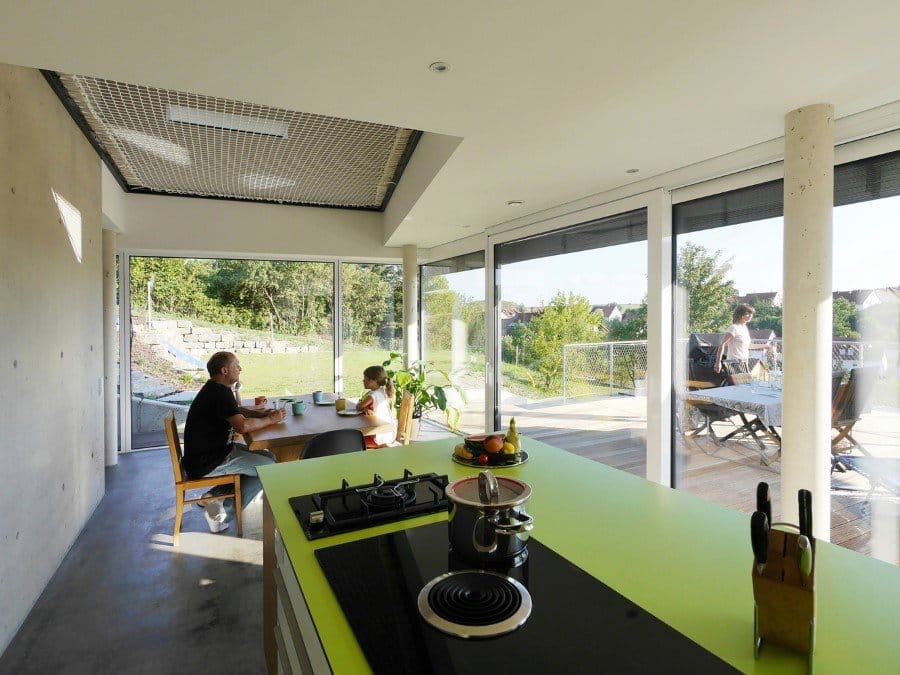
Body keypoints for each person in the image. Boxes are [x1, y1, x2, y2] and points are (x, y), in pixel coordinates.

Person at [183, 351, 285, 533]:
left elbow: (236, 409)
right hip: (209, 460)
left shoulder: (215, 389)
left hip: (208, 455)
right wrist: (271, 420)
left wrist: (262, 414)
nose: (240, 369)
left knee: (269, 456)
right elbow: (243, 427)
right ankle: (220, 515)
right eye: (236, 365)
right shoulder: (220, 393)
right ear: (224, 370)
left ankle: (213, 495)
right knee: (270, 469)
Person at [714, 304, 774, 374]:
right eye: (747, 313)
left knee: (746, 384)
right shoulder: (734, 328)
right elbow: (722, 344)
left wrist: (766, 346)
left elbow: (748, 346)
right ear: (740, 314)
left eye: (751, 314)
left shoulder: (744, 328)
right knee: (743, 384)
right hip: (734, 363)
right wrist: (718, 362)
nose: (750, 315)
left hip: (744, 362)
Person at [355, 365, 397, 448]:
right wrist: (366, 408)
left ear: (373, 380)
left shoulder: (373, 395)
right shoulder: (383, 391)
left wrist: (363, 406)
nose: (363, 380)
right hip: (390, 433)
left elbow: (358, 407)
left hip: (379, 437)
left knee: (354, 439)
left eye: (365, 378)